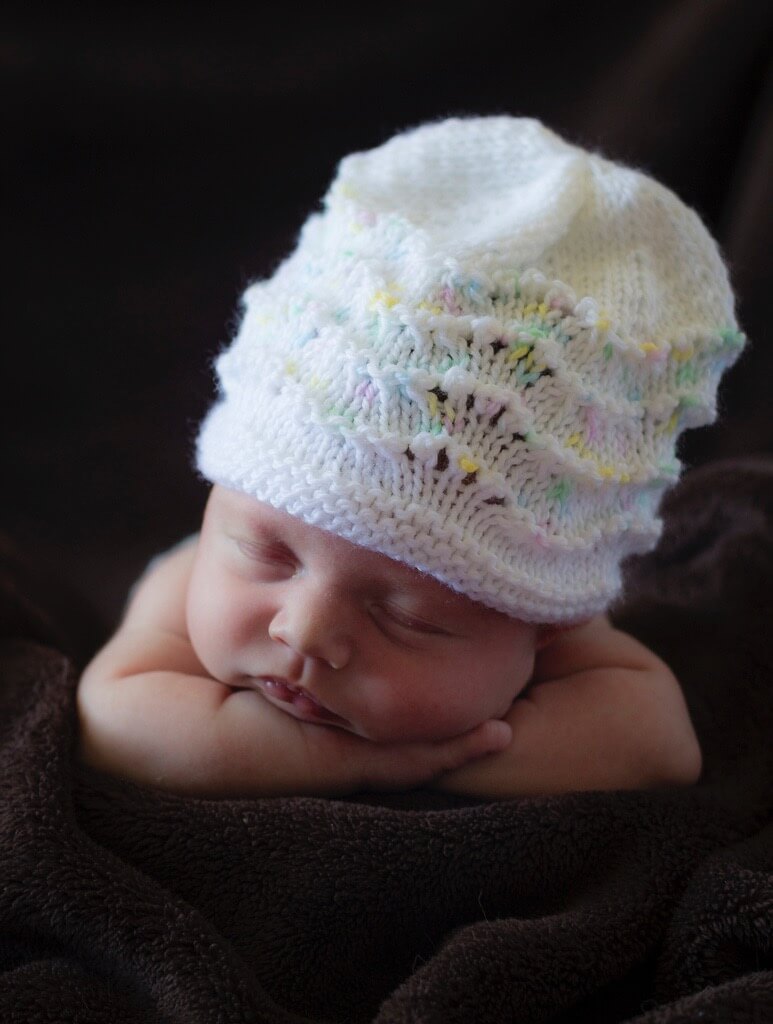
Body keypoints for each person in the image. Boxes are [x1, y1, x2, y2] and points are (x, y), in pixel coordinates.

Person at [77, 117, 745, 799]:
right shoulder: (189, 580)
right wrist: (349, 765)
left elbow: (654, 741)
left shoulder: (544, 601)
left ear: (545, 625)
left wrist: (472, 765)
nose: (303, 632)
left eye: (405, 617)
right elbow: (116, 724)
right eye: (266, 552)